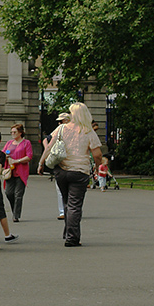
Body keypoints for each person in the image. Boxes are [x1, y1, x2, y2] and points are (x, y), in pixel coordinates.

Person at [38, 102, 103, 247]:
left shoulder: (61, 128)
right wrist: (98, 168)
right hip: (79, 171)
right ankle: (72, 238)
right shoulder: (88, 131)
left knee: (67, 202)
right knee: (74, 205)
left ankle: (68, 232)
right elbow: (97, 154)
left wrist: (41, 163)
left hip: (61, 171)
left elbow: (49, 147)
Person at [2, 123, 34, 223]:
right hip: (9, 171)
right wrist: (5, 157)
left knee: (18, 194)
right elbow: (2, 153)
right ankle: (14, 209)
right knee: (8, 193)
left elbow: (29, 156)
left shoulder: (26, 143)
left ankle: (16, 215)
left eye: (15, 132)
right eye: (11, 132)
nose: (13, 134)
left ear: (20, 132)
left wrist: (17, 161)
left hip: (21, 172)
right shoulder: (9, 143)